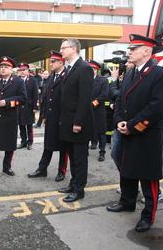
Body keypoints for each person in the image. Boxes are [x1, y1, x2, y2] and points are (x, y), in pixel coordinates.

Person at [106, 34, 163, 232]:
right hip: (127, 130)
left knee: (148, 175)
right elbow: (120, 101)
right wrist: (119, 121)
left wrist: (133, 125)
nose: (129, 51)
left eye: (134, 48)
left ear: (147, 51)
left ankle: (148, 215)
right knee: (127, 170)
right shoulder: (130, 73)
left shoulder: (160, 74)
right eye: (130, 48)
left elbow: (157, 107)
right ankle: (127, 202)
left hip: (146, 134)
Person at [58, 38, 94, 202]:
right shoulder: (70, 68)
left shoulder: (84, 68)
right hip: (67, 121)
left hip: (78, 124)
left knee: (79, 158)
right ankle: (73, 184)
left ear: (73, 49)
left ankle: (79, 190)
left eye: (64, 48)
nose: (61, 51)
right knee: (72, 156)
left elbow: (84, 99)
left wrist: (78, 123)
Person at [28, 51, 69, 182]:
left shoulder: (67, 76)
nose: (50, 64)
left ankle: (61, 171)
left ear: (61, 62)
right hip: (51, 117)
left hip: (62, 118)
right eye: (50, 61)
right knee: (48, 145)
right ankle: (42, 169)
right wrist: (44, 115)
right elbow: (46, 98)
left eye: (53, 61)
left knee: (64, 147)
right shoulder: (52, 77)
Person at [88, 60, 109, 161]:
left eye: (92, 69)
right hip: (87, 110)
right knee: (87, 130)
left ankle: (102, 152)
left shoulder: (103, 80)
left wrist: (93, 103)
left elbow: (104, 95)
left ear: (96, 70)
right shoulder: (86, 80)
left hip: (98, 110)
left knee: (101, 132)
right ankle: (87, 149)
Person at [17, 63, 39, 150]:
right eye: (21, 70)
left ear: (28, 71)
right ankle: (23, 141)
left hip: (29, 106)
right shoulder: (17, 80)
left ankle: (30, 142)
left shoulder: (32, 80)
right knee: (21, 125)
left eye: (24, 70)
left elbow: (35, 94)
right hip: (19, 106)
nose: (22, 72)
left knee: (29, 126)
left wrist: (35, 107)